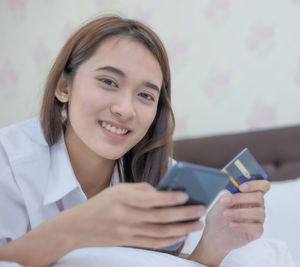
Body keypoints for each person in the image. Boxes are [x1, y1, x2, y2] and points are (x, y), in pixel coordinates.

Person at [0, 16, 270, 267]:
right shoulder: (9, 161)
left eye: (145, 96)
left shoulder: (162, 177)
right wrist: (79, 226)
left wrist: (212, 247)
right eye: (108, 81)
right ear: (64, 87)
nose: (126, 109)